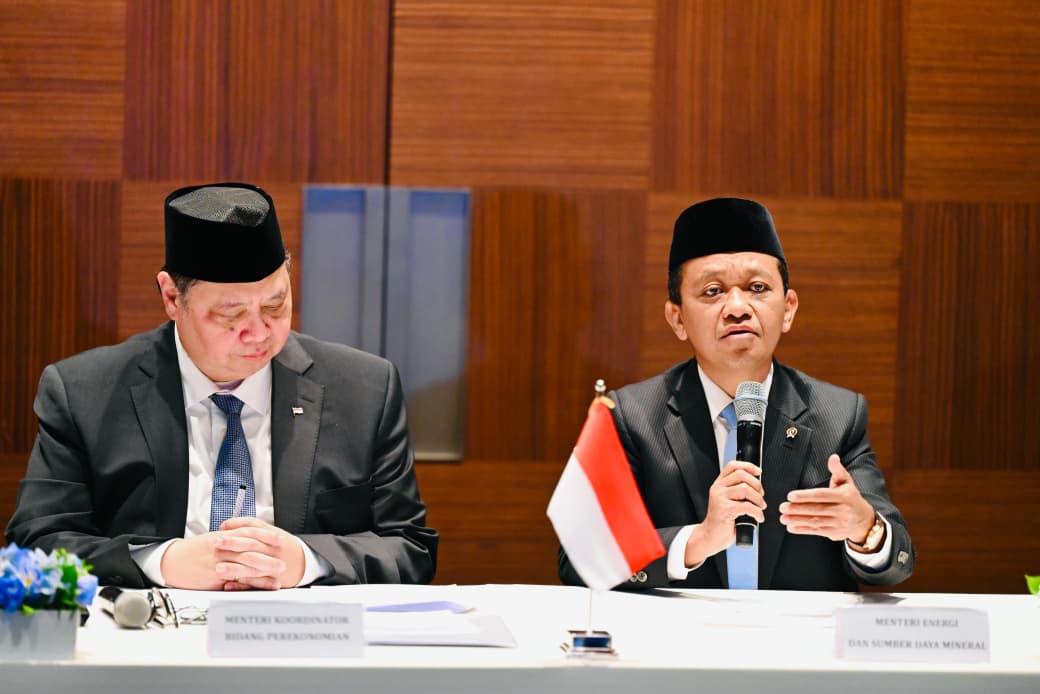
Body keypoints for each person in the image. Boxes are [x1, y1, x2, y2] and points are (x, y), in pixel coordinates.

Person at [7, 183, 437, 590]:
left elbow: (410, 548)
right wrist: (163, 562)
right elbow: (36, 545)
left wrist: (307, 560)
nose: (259, 332)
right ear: (172, 298)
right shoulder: (85, 393)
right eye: (231, 315)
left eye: (276, 305)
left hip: (303, 632)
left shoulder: (364, 389)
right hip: (152, 631)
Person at [559, 197, 913, 591]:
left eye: (757, 288)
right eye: (713, 291)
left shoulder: (839, 415)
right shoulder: (630, 416)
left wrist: (865, 530)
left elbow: (898, 563)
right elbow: (579, 560)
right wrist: (696, 541)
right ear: (677, 318)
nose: (737, 307)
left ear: (788, 309)